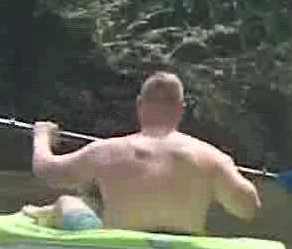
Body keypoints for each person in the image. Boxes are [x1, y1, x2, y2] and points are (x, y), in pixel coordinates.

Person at [21, 71, 262, 236]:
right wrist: (227, 169)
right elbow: (248, 209)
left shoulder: (106, 151)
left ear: (139, 105)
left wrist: (41, 136)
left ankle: (48, 213)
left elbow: (48, 171)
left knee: (68, 202)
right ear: (181, 109)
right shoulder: (211, 157)